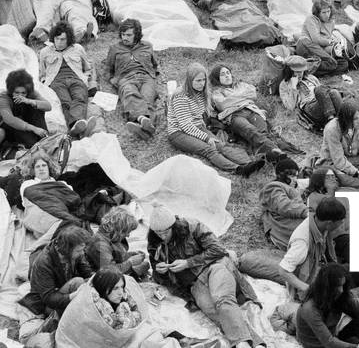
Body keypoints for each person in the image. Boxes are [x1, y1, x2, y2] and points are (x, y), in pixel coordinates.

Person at [147, 205, 263, 348]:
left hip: (215, 266)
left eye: (166, 232)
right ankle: (253, 343)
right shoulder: (154, 242)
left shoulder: (192, 227)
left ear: (173, 226)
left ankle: (242, 344)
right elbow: (160, 277)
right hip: (195, 284)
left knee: (221, 299)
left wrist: (188, 263)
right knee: (213, 311)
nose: (163, 236)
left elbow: (217, 249)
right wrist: (160, 271)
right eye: (158, 233)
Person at [166, 63, 265, 176]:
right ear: (189, 80)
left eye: (203, 80)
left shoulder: (201, 92)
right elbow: (186, 126)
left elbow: (202, 114)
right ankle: (238, 170)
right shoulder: (180, 96)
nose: (202, 84)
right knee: (209, 149)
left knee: (220, 144)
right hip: (179, 132)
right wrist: (207, 137)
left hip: (198, 126)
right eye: (198, 81)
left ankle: (249, 164)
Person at [104, 19, 164, 135]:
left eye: (128, 35)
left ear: (136, 35)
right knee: (130, 94)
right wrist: (112, 79)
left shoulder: (147, 46)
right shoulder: (114, 48)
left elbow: (155, 65)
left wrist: (155, 76)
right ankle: (144, 122)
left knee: (147, 98)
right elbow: (108, 68)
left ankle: (142, 127)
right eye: (123, 34)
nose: (124, 37)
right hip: (126, 77)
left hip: (146, 77)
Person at [295, 263, 359, 348]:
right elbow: (329, 342)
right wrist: (357, 347)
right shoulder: (309, 308)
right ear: (327, 287)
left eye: (343, 285)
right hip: (318, 344)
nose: (341, 290)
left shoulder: (341, 296)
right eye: (337, 286)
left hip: (333, 337)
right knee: (356, 342)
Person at [39, 21, 99, 138]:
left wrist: (86, 78)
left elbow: (87, 67)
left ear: (69, 39)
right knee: (65, 102)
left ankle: (75, 127)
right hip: (56, 81)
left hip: (76, 79)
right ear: (53, 38)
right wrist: (44, 85)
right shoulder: (45, 52)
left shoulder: (78, 49)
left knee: (80, 98)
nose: (59, 42)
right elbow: (42, 73)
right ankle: (77, 126)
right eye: (57, 39)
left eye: (63, 39)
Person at [20, 224, 94, 317]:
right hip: (47, 304)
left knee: (91, 284)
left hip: (63, 289)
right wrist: (73, 296)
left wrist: (95, 278)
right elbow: (48, 298)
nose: (82, 253)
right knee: (78, 282)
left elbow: (85, 270)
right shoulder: (44, 262)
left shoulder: (74, 252)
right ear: (67, 250)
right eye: (79, 251)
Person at [318, 101, 359, 191]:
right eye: (355, 119)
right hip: (333, 163)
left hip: (354, 159)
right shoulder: (332, 129)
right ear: (345, 119)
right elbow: (339, 160)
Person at [0, 69, 52, 149]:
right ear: (11, 90)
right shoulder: (4, 97)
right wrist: (34, 128)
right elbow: (9, 119)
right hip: (13, 128)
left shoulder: (31, 94)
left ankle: (44, 139)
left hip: (29, 125)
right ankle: (33, 143)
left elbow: (48, 106)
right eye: (16, 93)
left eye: (23, 93)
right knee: (34, 144)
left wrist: (29, 101)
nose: (20, 96)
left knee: (37, 108)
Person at [86, 207, 150, 277]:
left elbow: (115, 256)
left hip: (111, 269)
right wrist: (130, 262)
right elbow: (109, 271)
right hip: (101, 277)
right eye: (127, 232)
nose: (128, 236)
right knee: (142, 267)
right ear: (120, 230)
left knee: (144, 265)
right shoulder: (100, 244)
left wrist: (130, 255)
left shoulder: (111, 236)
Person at [296, 0, 349, 76]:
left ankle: (309, 70)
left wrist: (335, 45)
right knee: (332, 63)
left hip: (318, 49)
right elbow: (316, 39)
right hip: (306, 44)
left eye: (328, 11)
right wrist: (330, 42)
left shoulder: (331, 22)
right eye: (323, 12)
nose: (327, 14)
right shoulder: (311, 19)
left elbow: (326, 39)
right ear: (318, 12)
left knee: (344, 64)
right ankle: (303, 68)